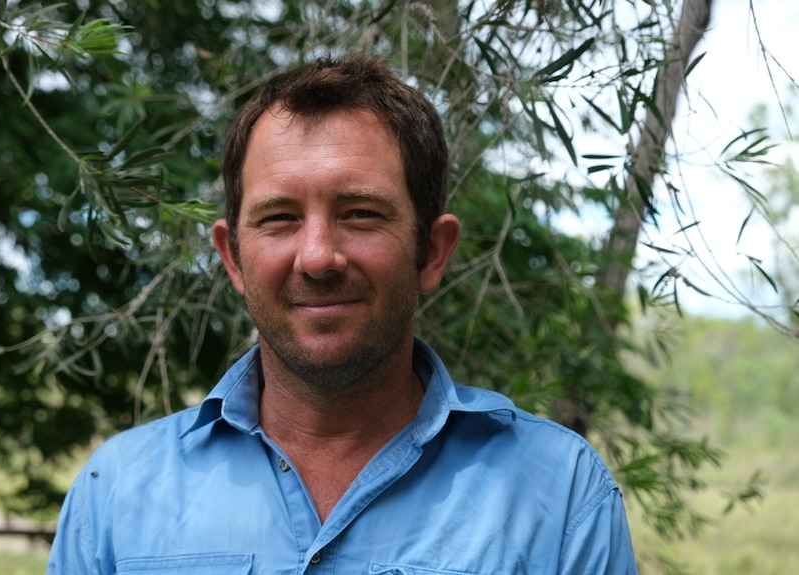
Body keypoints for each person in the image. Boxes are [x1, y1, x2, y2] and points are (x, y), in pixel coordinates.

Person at [47, 54, 638, 574]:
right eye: (279, 217)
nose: (317, 257)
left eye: (359, 214)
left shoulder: (560, 495)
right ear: (233, 258)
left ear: (431, 252)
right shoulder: (116, 496)